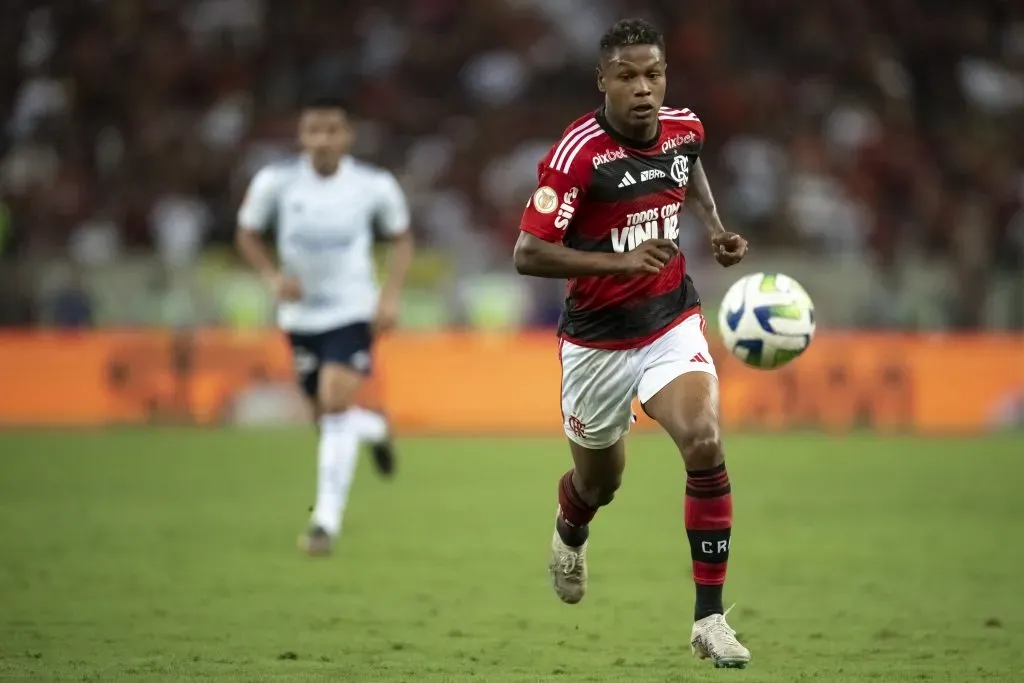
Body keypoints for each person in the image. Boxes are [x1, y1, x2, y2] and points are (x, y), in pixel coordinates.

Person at [513, 19, 751, 668]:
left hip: (670, 320)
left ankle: (710, 618)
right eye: (627, 76)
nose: (643, 88)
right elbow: (528, 252)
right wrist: (621, 265)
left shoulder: (685, 128)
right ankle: (570, 528)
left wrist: (715, 226)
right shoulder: (576, 156)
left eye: (653, 74)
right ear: (603, 81)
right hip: (596, 345)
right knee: (600, 482)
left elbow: (689, 166)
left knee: (703, 439)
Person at [235, 95, 414, 556]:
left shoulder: (372, 185)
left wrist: (390, 296)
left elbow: (401, 237)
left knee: (334, 400)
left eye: (332, 130)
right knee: (324, 415)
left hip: (353, 309)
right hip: (301, 316)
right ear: (301, 136)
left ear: (347, 136)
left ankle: (324, 523)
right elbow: (247, 232)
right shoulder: (277, 182)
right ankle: (372, 427)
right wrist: (272, 277)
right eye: (313, 130)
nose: (322, 140)